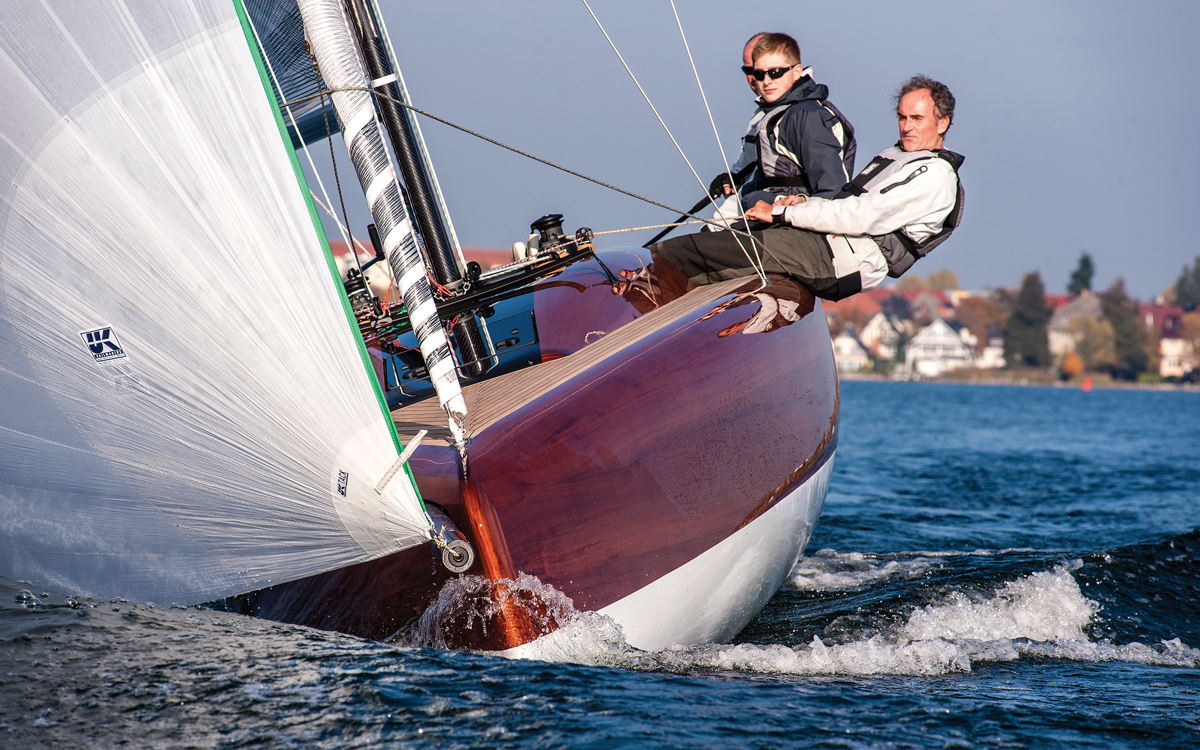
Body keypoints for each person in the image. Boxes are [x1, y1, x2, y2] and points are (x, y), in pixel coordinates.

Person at [650, 75, 964, 302]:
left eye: (917, 118)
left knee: (706, 251)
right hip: (827, 244)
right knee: (724, 236)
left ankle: (643, 280)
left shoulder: (936, 176)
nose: (907, 126)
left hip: (839, 261)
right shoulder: (899, 157)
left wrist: (783, 213)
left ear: (942, 123)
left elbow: (860, 215)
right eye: (902, 117)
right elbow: (846, 202)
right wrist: (799, 202)